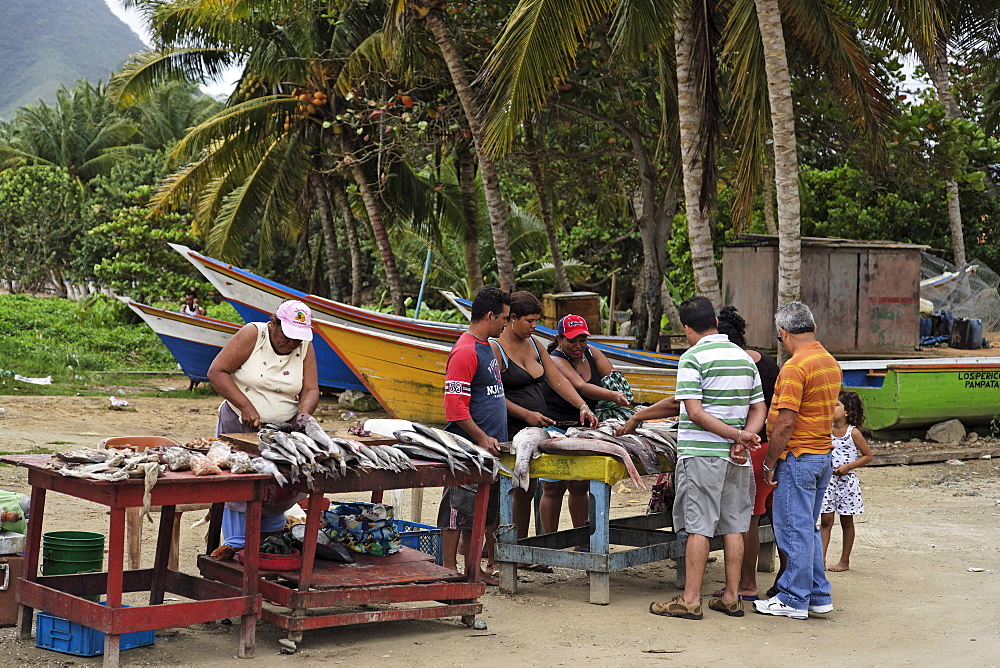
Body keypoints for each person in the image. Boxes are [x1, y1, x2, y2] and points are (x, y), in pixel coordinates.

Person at [649, 296, 765, 620]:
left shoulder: (692, 357)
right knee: (734, 525)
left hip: (702, 454)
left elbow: (695, 413)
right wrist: (743, 437)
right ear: (714, 320)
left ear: (687, 328)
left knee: (698, 526)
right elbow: (759, 409)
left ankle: (690, 599)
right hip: (735, 457)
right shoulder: (744, 358)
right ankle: (731, 596)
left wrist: (738, 437)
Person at [489, 293, 597, 566]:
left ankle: (530, 549)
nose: (534, 326)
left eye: (537, 321)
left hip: (538, 426)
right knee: (518, 490)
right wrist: (527, 414)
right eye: (530, 320)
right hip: (511, 427)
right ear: (512, 319)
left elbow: (557, 378)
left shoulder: (536, 345)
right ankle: (517, 550)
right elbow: (492, 394)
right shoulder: (494, 347)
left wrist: (582, 405)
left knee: (534, 483)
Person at [206, 299, 319, 559]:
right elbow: (217, 371)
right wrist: (245, 406)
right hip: (239, 427)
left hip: (283, 433)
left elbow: (311, 388)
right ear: (274, 323)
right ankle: (235, 550)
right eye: (288, 337)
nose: (292, 344)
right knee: (241, 485)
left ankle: (265, 550)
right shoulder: (253, 335)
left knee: (278, 487)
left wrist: (304, 416)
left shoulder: (304, 347)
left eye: (297, 339)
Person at [754, 301, 842, 620]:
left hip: (797, 455)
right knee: (807, 528)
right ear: (813, 328)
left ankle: (793, 597)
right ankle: (818, 594)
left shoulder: (795, 366)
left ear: (783, 333)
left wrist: (770, 462)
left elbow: (785, 423)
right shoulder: (829, 362)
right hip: (821, 456)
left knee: (794, 528)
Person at [438, 286, 510, 586]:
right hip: (467, 446)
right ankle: (448, 568)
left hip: (489, 446)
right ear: (490, 315)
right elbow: (454, 408)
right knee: (457, 508)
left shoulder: (487, 347)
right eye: (504, 318)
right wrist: (480, 437)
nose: (506, 324)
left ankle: (472, 567)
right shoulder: (465, 351)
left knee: (478, 510)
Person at [713, 305, 780, 601]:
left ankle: (747, 583)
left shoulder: (733, 364)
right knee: (773, 517)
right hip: (771, 447)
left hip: (748, 448)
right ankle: (780, 580)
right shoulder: (767, 362)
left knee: (746, 520)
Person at [541, 314, 631, 536]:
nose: (578, 345)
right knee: (553, 486)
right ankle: (548, 542)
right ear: (560, 339)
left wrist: (619, 393)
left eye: (582, 339)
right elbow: (580, 386)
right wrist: (613, 395)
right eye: (572, 341)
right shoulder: (555, 359)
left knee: (580, 485)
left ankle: (582, 541)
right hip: (557, 426)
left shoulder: (592, 353)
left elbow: (611, 375)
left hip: (586, 429)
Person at [820, 390, 873, 572]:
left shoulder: (853, 433)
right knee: (826, 520)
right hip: (827, 482)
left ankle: (844, 560)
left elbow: (867, 456)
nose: (831, 408)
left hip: (846, 483)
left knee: (846, 522)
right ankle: (820, 560)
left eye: (836, 405)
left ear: (847, 412)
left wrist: (848, 467)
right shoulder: (825, 429)